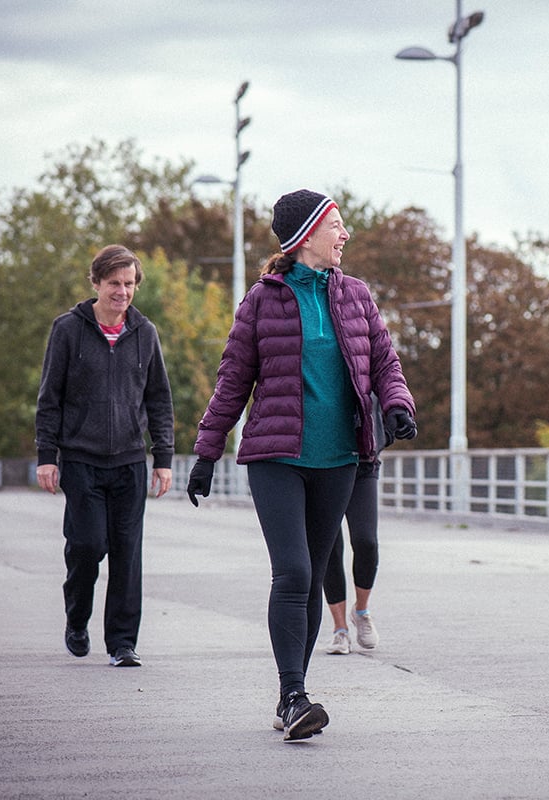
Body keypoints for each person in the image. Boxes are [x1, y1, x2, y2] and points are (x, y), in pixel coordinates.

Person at [186, 189, 416, 742]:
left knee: (312, 575)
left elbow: (384, 361)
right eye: (336, 225)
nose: (345, 235)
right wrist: (207, 451)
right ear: (307, 234)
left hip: (339, 460)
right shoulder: (262, 301)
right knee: (292, 572)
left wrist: (397, 404)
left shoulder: (356, 295)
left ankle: (293, 693)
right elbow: (233, 380)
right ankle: (293, 696)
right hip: (277, 456)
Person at [35, 244, 175, 669]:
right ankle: (77, 617)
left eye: (129, 284)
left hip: (129, 461)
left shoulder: (145, 333)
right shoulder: (68, 330)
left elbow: (159, 399)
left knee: (127, 554)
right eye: (114, 283)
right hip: (81, 460)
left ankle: (122, 643)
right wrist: (47, 455)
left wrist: (163, 457)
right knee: (87, 545)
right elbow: (50, 398)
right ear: (95, 282)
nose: (122, 292)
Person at [323, 395, 395, 656]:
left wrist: (387, 429)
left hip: (363, 460)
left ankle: (361, 611)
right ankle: (339, 629)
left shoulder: (370, 363)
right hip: (322, 462)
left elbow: (389, 385)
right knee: (330, 546)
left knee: (366, 541)